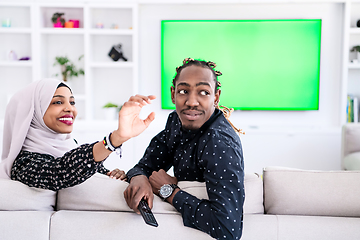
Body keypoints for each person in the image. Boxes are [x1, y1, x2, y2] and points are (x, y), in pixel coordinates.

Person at [124, 58, 244, 240]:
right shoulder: (176, 122)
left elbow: (227, 229)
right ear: (173, 94)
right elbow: (145, 166)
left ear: (216, 97)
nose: (191, 102)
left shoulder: (219, 143)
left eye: (203, 92)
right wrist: (138, 177)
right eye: (183, 91)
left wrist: (169, 190)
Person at [0, 79, 156, 191]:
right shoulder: (23, 164)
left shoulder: (71, 146)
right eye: (58, 102)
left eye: (72, 102)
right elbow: (60, 171)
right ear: (33, 112)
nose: (70, 109)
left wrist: (114, 176)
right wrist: (115, 139)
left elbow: (86, 169)